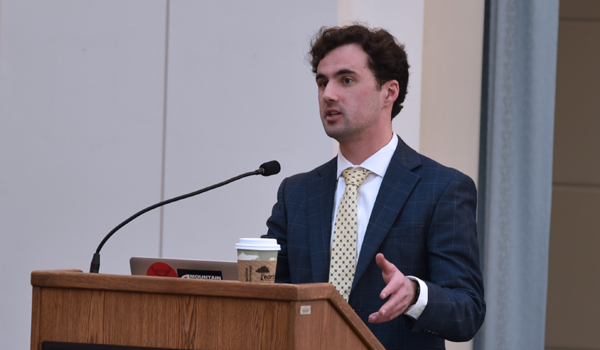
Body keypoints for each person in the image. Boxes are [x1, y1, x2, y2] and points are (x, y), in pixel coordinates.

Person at [262, 25, 485, 350]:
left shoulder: (442, 189)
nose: (328, 94)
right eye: (322, 82)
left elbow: (467, 312)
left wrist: (414, 294)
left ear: (389, 92)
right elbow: (268, 294)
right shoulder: (295, 193)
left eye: (346, 80)